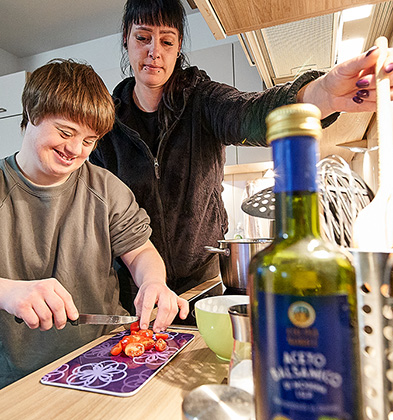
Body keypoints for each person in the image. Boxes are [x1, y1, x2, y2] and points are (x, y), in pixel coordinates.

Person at [90, 0, 393, 303]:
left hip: (202, 285)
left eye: (166, 41)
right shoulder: (107, 125)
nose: (154, 52)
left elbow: (252, 112)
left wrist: (322, 94)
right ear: (126, 40)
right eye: (143, 38)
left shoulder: (202, 100)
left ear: (178, 46)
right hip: (136, 291)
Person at [0, 59, 188, 389]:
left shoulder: (105, 188)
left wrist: (154, 282)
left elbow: (141, 250)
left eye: (89, 141)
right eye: (65, 132)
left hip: (106, 360)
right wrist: (7, 291)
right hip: (18, 379)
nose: (75, 150)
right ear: (31, 113)